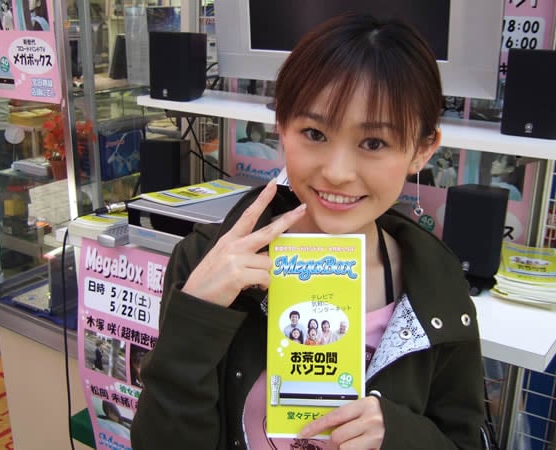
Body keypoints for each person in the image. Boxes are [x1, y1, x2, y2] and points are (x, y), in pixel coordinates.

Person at [132, 13, 485, 450]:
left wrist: (399, 436)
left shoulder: (438, 288)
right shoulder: (206, 262)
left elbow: (464, 439)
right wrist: (194, 321)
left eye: (374, 143)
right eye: (314, 133)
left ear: (422, 150)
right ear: (281, 127)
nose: (337, 172)